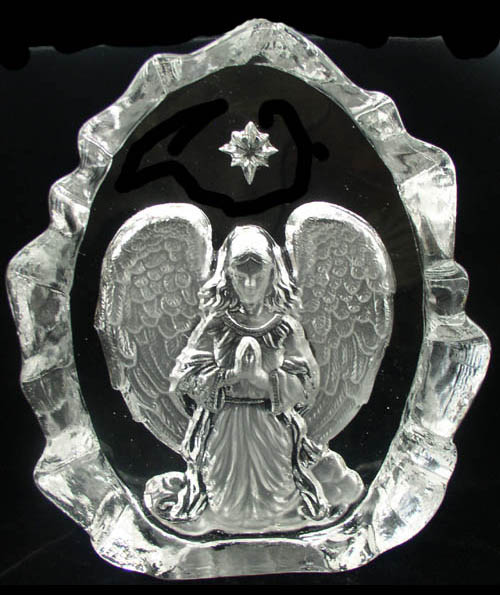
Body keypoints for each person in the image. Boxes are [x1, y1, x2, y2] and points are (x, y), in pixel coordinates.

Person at [148, 225, 362, 533]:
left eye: (258, 275)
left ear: (272, 274)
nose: (249, 284)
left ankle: (282, 527)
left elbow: (307, 385)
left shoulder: (285, 327)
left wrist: (263, 380)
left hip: (270, 425)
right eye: (241, 274)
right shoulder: (216, 325)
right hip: (224, 427)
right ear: (228, 275)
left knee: (277, 497)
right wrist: (230, 376)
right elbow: (183, 377)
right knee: (226, 500)